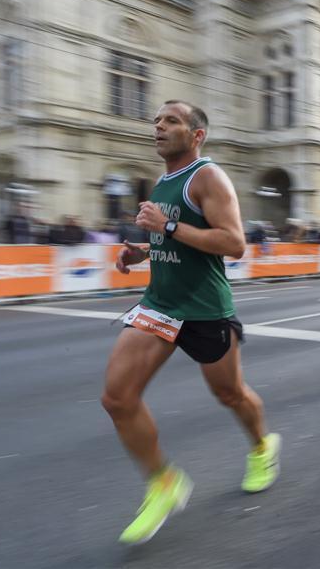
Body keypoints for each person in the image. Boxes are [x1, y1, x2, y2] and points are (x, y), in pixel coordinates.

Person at [101, 100, 280, 545]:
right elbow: (171, 235)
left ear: (196, 135)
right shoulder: (164, 181)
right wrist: (141, 251)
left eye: (171, 121)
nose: (158, 126)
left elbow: (234, 243)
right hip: (160, 305)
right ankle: (162, 482)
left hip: (204, 309)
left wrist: (168, 227)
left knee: (229, 393)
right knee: (117, 398)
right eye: (157, 120)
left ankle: (262, 447)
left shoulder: (208, 177)